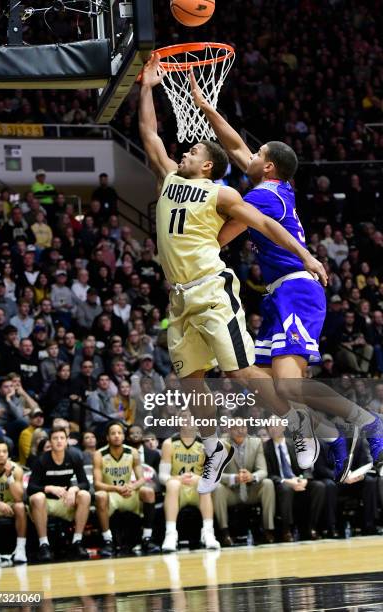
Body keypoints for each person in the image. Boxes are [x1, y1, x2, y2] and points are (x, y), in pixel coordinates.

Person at [139, 54, 325, 494]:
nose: (185, 149)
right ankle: (214, 448)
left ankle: (298, 418)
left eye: (194, 150)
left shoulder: (229, 193)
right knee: (189, 380)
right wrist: (147, 87)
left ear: (206, 167)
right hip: (180, 297)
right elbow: (150, 134)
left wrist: (307, 254)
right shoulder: (171, 179)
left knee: (241, 371)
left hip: (216, 287)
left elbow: (263, 226)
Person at [190, 67, 383, 480]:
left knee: (289, 387)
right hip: (281, 294)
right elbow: (238, 145)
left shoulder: (261, 196)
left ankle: (366, 421)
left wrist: (188, 237)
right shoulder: (277, 186)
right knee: (242, 371)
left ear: (270, 167)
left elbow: (222, 237)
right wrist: (207, 109)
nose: (250, 157)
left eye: (259, 157)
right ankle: (324, 430)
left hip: (297, 290)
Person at [93, 422, 160, 556]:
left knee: (148, 492)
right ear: (107, 437)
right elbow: (97, 484)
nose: (116, 436)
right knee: (100, 495)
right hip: (111, 494)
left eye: (119, 433)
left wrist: (133, 486)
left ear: (124, 436)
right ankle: (108, 541)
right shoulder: (99, 454)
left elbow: (142, 479)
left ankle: (147, 538)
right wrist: (115, 488)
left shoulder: (133, 452)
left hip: (129, 492)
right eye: (113, 433)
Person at [27, 426, 91, 562]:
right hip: (46, 503)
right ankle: (44, 545)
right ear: (50, 442)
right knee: (38, 497)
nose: (59, 441)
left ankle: (77, 542)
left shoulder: (74, 457)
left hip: (65, 501)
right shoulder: (41, 460)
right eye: (55, 438)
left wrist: (74, 489)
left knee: (84, 495)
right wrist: (49, 488)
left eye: (62, 438)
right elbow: (31, 488)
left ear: (67, 440)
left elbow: (85, 483)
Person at [158, 414, 221, 552]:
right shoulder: (169, 443)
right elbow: (162, 476)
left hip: (197, 492)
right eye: (184, 417)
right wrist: (178, 479)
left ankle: (208, 533)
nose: (187, 420)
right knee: (172, 484)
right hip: (177, 491)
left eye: (192, 418)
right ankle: (170, 534)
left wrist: (198, 478)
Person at [213, 421, 276, 546]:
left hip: (250, 490)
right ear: (229, 430)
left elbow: (263, 470)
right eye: (236, 428)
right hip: (231, 491)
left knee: (268, 483)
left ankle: (268, 530)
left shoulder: (256, 442)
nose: (240, 430)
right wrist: (234, 478)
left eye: (243, 427)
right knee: (218, 488)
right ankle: (224, 533)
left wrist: (252, 477)